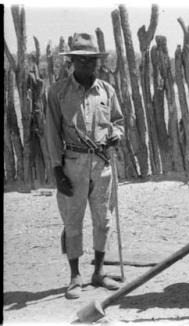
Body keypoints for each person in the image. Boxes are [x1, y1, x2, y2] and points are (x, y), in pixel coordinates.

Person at [46, 33, 124, 299]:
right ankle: (75, 276)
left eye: (91, 60)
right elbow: (52, 134)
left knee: (103, 220)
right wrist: (57, 171)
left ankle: (99, 272)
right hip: (73, 165)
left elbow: (119, 122)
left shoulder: (106, 90)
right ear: (72, 62)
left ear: (97, 62)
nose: (87, 64)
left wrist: (117, 134)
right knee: (73, 222)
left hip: (102, 165)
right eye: (81, 60)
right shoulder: (58, 92)